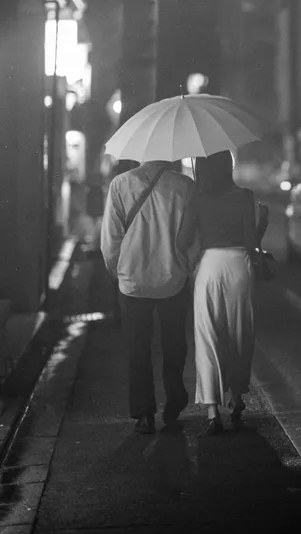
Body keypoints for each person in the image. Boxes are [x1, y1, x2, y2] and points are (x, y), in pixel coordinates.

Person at [101, 160, 197, 435]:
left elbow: (110, 237)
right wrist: (187, 268)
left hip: (132, 279)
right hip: (173, 279)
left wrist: (117, 271)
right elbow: (192, 238)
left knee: (137, 347)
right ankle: (175, 400)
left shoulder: (120, 184)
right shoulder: (186, 186)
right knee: (174, 342)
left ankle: (144, 413)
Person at [177, 151, 267, 435]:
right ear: (228, 166)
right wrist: (262, 223)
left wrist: (192, 262)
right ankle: (237, 397)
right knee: (240, 334)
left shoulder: (197, 200)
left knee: (208, 337)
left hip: (209, 268)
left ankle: (212, 411)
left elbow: (182, 241)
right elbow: (252, 242)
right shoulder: (244, 196)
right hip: (239, 266)